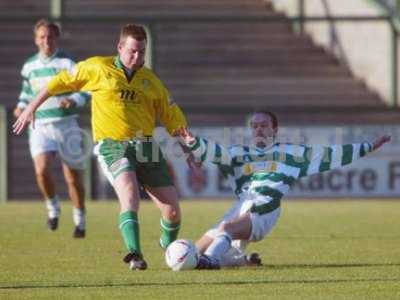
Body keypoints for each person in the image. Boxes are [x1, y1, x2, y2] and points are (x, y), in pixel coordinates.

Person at [13, 23, 188, 271]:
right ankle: (135, 254)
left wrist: (187, 143)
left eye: (141, 52)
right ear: (120, 47)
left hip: (146, 145)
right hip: (112, 144)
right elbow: (58, 82)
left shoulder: (150, 80)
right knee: (130, 194)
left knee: (171, 211)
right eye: (132, 51)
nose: (137, 57)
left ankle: (170, 249)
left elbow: (171, 114)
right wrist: (31, 107)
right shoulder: (98, 67)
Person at [176, 111, 391, 269]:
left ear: (274, 129)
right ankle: (241, 261)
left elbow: (330, 155)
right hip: (241, 205)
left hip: (266, 206)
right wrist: (194, 144)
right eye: (254, 125)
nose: (258, 128)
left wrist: (368, 147)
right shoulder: (237, 153)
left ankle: (212, 262)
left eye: (264, 125)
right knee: (195, 251)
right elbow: (214, 153)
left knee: (225, 230)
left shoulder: (292, 153)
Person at [13, 19, 89, 238]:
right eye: (42, 37)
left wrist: (73, 100)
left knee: (72, 178)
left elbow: (86, 90)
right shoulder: (29, 66)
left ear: (57, 38)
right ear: (36, 40)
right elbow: (26, 94)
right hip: (40, 126)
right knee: (41, 170)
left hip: (67, 126)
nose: (46, 41)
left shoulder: (67, 63)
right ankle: (53, 208)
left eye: (50, 36)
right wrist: (20, 108)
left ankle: (80, 219)